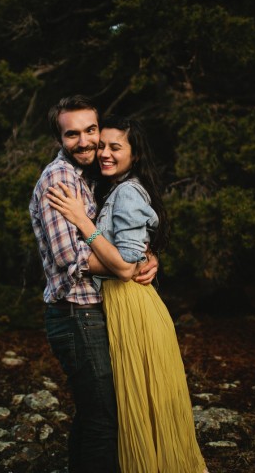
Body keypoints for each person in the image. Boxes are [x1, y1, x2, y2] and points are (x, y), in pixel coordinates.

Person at [47, 115, 208, 472]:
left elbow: (126, 262)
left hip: (133, 309)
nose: (104, 153)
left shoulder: (129, 191)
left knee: (137, 402)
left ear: (134, 156)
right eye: (101, 145)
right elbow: (133, 255)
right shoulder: (109, 187)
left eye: (114, 147)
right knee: (124, 404)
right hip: (121, 306)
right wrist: (148, 257)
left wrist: (83, 222)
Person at [29, 96, 158, 473]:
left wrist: (146, 258)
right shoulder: (59, 179)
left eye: (91, 130)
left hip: (92, 313)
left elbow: (125, 236)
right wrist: (128, 267)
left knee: (94, 414)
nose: (85, 141)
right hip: (76, 314)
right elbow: (75, 257)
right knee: (103, 417)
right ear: (59, 138)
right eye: (73, 134)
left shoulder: (90, 177)